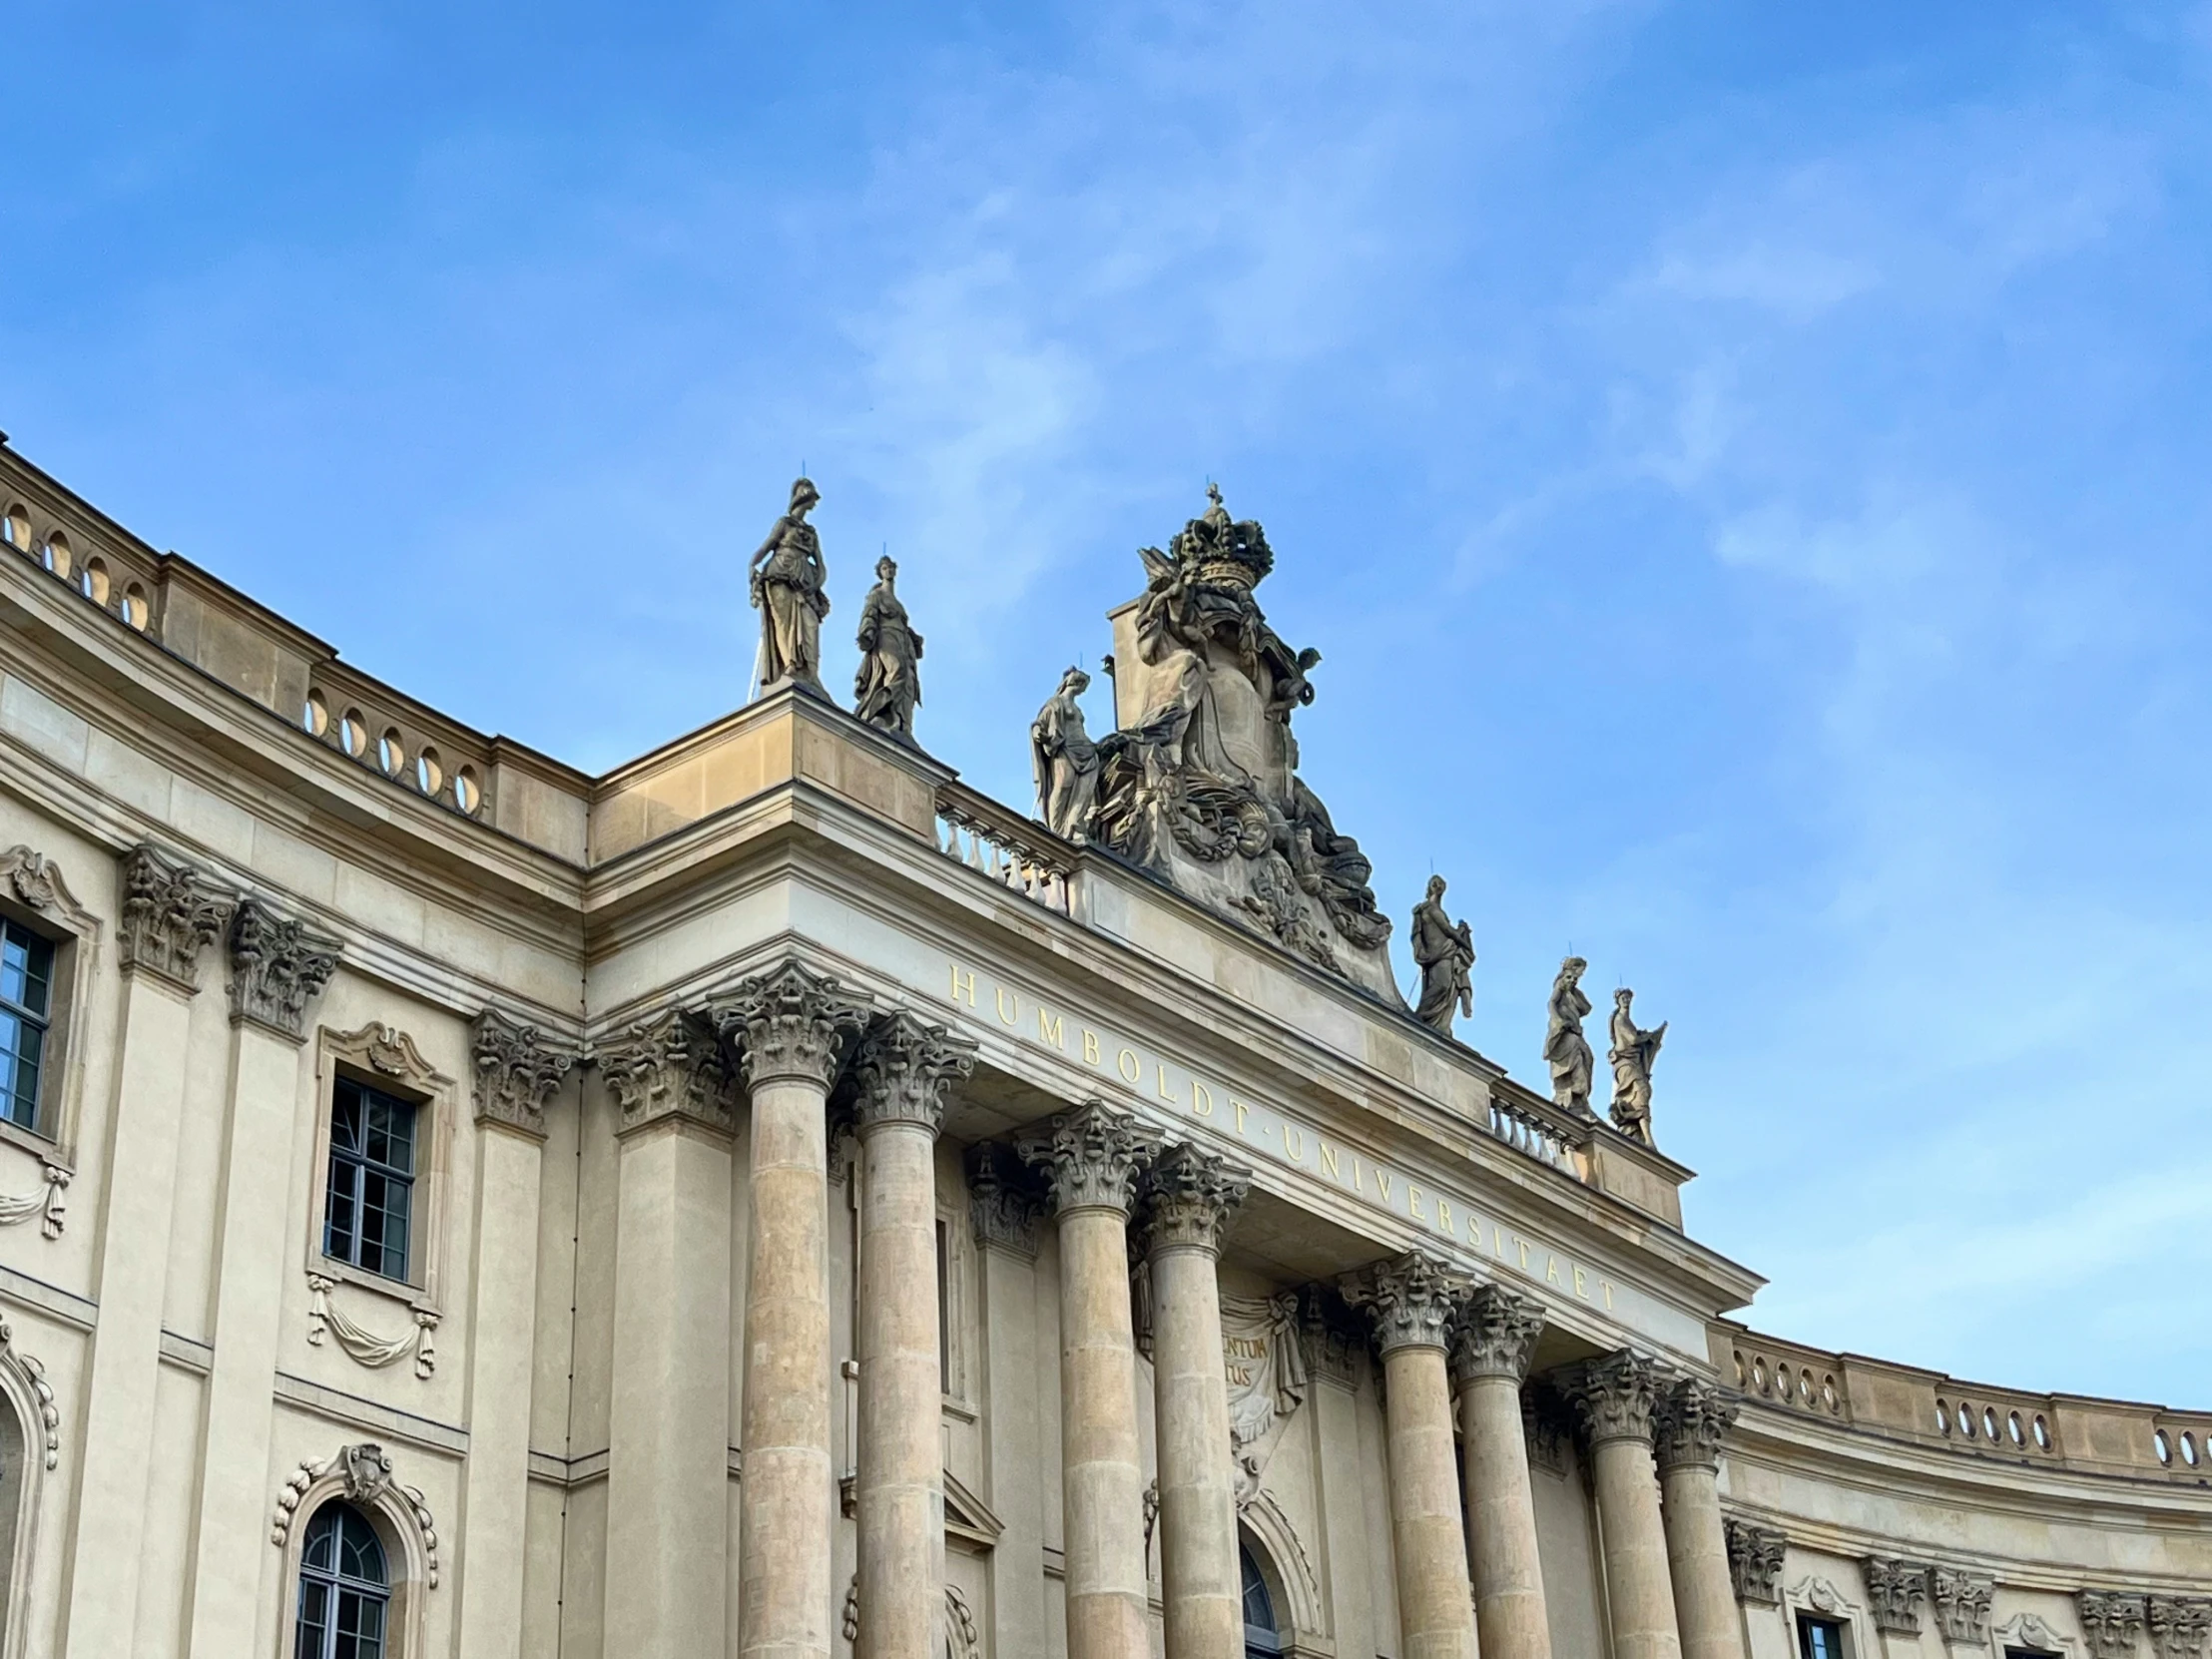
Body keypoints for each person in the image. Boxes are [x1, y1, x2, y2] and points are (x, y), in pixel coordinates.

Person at [749, 477, 830, 693]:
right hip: (780, 575)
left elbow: (821, 565)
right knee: (783, 624)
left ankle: (810, 674)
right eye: (809, 497)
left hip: (805, 583)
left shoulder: (811, 532)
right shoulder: (784, 524)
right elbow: (766, 547)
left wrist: (816, 584)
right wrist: (752, 564)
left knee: (810, 626)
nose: (812, 502)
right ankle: (789, 665)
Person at [852, 556, 923, 742]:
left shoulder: (898, 603)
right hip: (886, 636)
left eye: (891, 568)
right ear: (880, 572)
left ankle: (900, 722)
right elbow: (869, 614)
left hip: (903, 640)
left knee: (908, 681)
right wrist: (867, 632)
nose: (889, 571)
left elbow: (903, 624)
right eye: (885, 568)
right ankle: (876, 712)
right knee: (897, 669)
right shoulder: (876, 595)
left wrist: (914, 638)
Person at [1030, 668, 1102, 840]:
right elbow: (1039, 724)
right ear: (1074, 683)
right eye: (1083, 685)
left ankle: (1074, 824)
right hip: (1065, 748)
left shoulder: (1076, 708)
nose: (1083, 689)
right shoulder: (1055, 703)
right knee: (1063, 784)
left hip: (1086, 750)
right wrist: (1038, 733)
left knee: (1084, 790)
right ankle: (1056, 829)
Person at [1409, 875, 1474, 1034]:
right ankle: (1421, 1016)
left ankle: (1441, 1025)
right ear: (1430, 887)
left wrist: (1461, 933)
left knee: (1449, 989)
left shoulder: (1435, 909)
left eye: (1440, 885)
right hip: (1439, 953)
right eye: (1434, 884)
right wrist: (1462, 937)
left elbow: (1447, 930)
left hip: (1446, 952)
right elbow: (1446, 929)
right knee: (1442, 985)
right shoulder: (1429, 908)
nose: (1437, 887)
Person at [1607, 987, 1667, 1145]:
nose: (1626, 1001)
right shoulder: (1619, 1019)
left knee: (1642, 1094)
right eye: (1623, 998)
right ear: (1618, 1001)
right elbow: (1632, 1040)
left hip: (1632, 1063)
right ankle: (1648, 1139)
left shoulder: (1627, 1020)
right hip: (1626, 1064)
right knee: (1641, 1093)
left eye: (1628, 998)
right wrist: (1648, 1037)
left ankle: (1640, 1134)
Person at [1544, 955, 1594, 1112]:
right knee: (1576, 1056)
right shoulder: (1560, 985)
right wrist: (1558, 1020)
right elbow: (1551, 1003)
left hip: (1575, 1031)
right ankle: (1571, 1094)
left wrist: (1573, 992)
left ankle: (1580, 1095)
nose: (1574, 980)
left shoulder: (1573, 992)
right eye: (1571, 977)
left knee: (1588, 1057)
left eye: (1576, 978)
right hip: (1566, 1032)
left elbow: (1586, 1008)